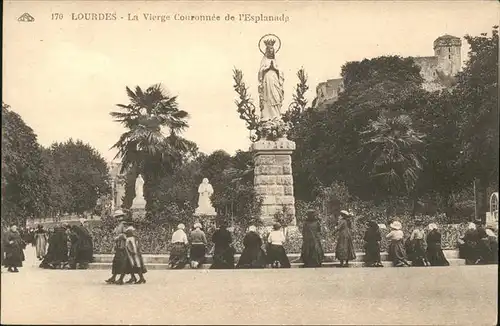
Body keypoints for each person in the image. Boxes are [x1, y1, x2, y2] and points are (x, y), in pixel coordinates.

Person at [258, 37, 285, 121]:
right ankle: (268, 116)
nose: (271, 51)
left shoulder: (275, 61)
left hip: (275, 79)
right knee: (268, 97)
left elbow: (281, 72)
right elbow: (260, 72)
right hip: (267, 80)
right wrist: (267, 68)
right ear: (266, 50)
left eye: (272, 50)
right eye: (269, 50)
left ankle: (276, 115)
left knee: (276, 96)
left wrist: (275, 69)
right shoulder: (264, 60)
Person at [105, 210, 131, 284]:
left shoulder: (123, 225)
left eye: (119, 217)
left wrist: (118, 237)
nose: (117, 218)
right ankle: (113, 277)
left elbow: (126, 235)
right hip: (118, 246)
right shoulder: (118, 225)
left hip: (123, 246)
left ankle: (121, 278)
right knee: (116, 262)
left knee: (122, 262)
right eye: (116, 217)